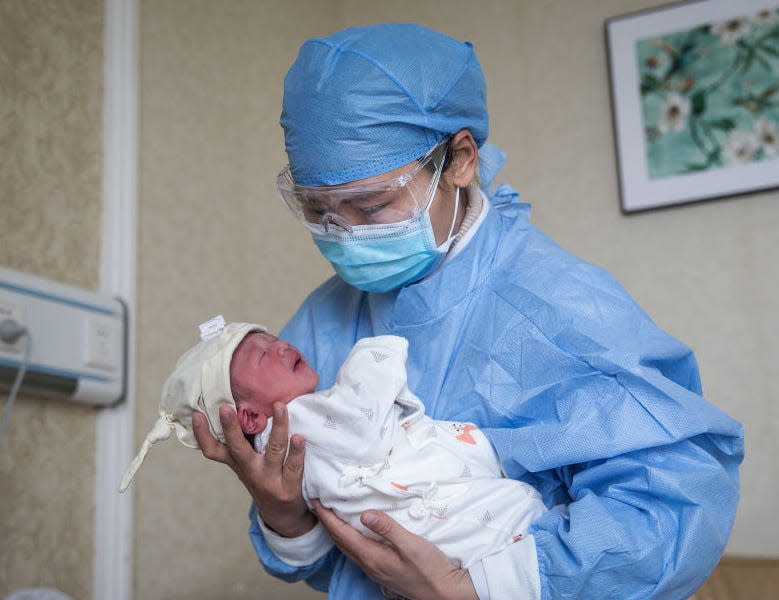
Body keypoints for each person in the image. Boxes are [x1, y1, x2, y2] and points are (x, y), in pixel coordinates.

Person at [191, 23, 744, 600]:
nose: (345, 236)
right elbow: (342, 554)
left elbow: (677, 506)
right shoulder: (323, 319)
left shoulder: (558, 307)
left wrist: (476, 588)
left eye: (370, 205)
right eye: (319, 211)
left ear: (459, 160)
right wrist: (285, 516)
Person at [120, 319, 547, 574]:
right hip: (465, 531)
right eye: (264, 356)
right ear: (248, 418)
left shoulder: (298, 434)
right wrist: (375, 354)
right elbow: (362, 427)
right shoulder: (293, 428)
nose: (283, 345)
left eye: (273, 340)